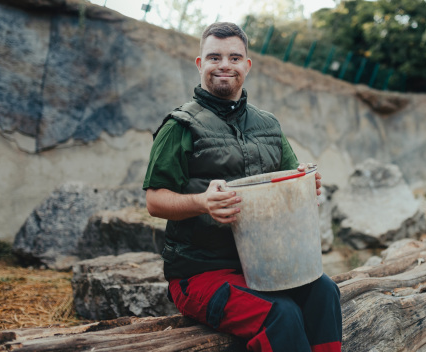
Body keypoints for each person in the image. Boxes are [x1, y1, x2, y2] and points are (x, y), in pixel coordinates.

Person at [143, 22, 342, 352]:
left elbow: (289, 181)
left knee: (326, 291)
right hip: (199, 275)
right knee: (281, 313)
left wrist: (306, 181)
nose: (224, 64)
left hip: (266, 265)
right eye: (214, 57)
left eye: (234, 57)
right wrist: (202, 203)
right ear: (200, 64)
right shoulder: (179, 125)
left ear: (247, 66)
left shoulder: (268, 124)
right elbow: (154, 200)